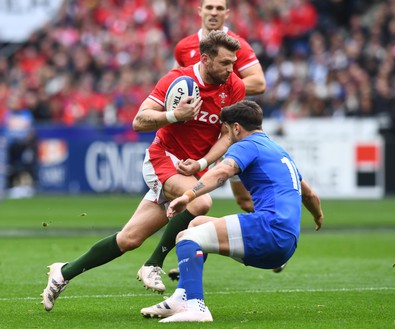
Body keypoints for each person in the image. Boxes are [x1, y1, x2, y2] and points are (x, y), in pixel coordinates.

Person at [40, 30, 246, 311]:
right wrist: (174, 116)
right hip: (163, 158)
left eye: (233, 62)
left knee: (129, 239)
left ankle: (63, 273)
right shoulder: (177, 80)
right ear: (206, 59)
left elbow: (227, 135)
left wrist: (200, 164)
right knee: (201, 201)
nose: (231, 69)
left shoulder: (233, 86)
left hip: (190, 170)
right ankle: (153, 264)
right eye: (225, 63)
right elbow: (139, 120)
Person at [140, 100, 324, 322]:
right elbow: (310, 195)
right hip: (288, 242)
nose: (225, 138)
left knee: (187, 238)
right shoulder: (278, 150)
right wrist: (317, 216)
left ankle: (196, 307)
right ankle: (181, 297)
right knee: (195, 225)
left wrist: (188, 196)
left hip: (269, 230)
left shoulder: (245, 145)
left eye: (225, 131)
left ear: (236, 128)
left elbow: (221, 173)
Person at [140, 0, 271, 286]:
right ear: (198, 11)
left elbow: (259, 84)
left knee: (243, 198)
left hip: (222, 136)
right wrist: (181, 107)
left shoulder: (237, 46)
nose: (213, 12)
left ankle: (269, 243)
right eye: (208, 7)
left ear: (227, 13)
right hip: (184, 149)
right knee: (197, 203)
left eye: (219, 8)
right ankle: (180, 257)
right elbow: (178, 87)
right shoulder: (184, 47)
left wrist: (220, 86)